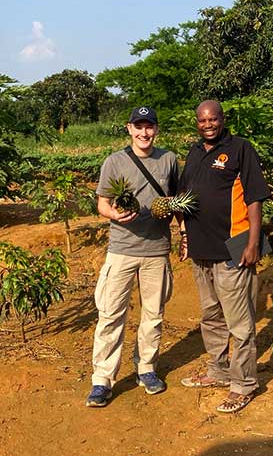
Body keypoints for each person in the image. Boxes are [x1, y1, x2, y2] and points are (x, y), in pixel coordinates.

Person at [179, 100, 271, 414]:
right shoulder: (193, 153)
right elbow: (186, 199)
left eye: (213, 119)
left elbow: (255, 197)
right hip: (201, 250)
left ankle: (243, 384)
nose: (208, 124)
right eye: (203, 120)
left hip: (234, 247)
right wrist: (183, 235)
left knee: (240, 323)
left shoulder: (240, 149)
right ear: (197, 122)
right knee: (211, 316)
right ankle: (218, 370)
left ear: (222, 119)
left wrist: (253, 242)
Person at [86, 106, 178, 407]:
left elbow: (177, 202)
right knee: (111, 314)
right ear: (129, 129)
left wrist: (185, 233)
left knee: (153, 315)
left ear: (156, 129)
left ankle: (147, 368)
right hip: (122, 250)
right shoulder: (115, 161)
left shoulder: (169, 160)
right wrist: (114, 213)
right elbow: (102, 203)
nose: (144, 133)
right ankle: (102, 379)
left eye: (149, 126)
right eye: (138, 127)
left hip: (157, 250)